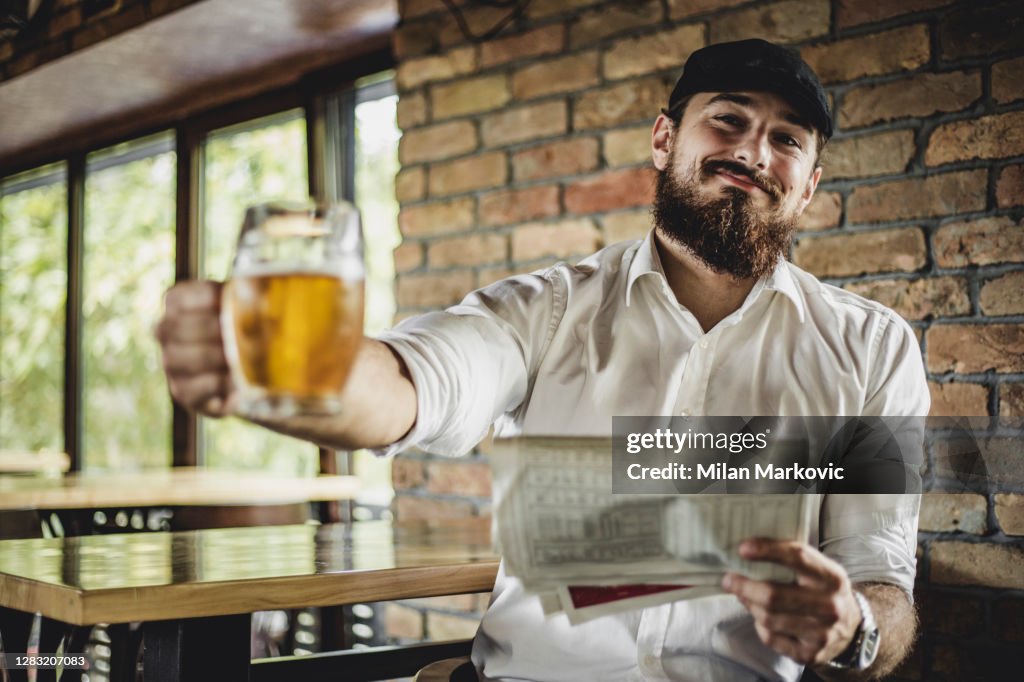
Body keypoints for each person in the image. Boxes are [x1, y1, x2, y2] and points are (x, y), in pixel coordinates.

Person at [156, 39, 926, 682]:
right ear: (664, 140)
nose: (754, 151)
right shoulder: (549, 309)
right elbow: (420, 379)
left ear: (808, 186)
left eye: (787, 139)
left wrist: (850, 628)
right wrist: (307, 374)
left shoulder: (872, 348)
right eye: (728, 119)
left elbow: (882, 582)